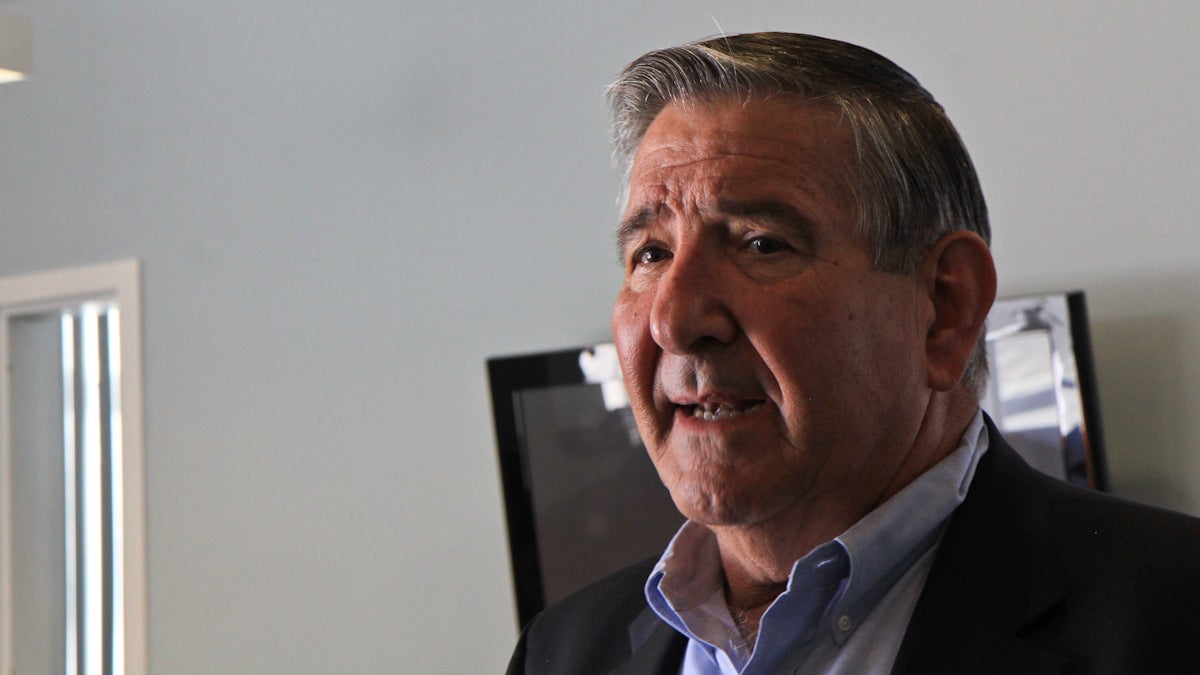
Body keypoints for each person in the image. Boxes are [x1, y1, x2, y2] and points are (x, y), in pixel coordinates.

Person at [507, 32, 1200, 674]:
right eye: (650, 252)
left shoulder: (1174, 615)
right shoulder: (564, 650)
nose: (674, 320)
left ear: (945, 309)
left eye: (760, 243)